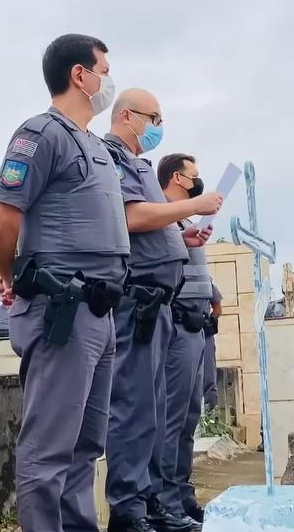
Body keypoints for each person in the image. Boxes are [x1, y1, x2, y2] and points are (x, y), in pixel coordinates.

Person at [0, 33, 130, 532]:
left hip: (101, 309)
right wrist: (10, 276)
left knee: (86, 446)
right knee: (48, 450)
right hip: (62, 308)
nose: (108, 79)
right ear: (79, 75)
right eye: (103, 70)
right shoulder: (41, 133)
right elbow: (0, 221)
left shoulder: (95, 145)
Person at [103, 92, 222, 532]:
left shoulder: (136, 164)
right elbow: (131, 217)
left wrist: (182, 239)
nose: (158, 125)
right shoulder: (112, 154)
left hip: (161, 306)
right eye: (154, 117)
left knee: (153, 411)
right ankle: (129, 508)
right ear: (128, 116)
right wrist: (193, 206)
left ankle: (150, 501)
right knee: (135, 409)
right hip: (139, 302)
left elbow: (151, 226)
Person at [155, 152, 217, 525]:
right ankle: (165, 502)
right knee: (171, 417)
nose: (199, 180)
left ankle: (182, 494)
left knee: (190, 416)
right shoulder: (160, 215)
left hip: (197, 328)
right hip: (175, 326)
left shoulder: (186, 222)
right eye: (195, 175)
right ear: (178, 178)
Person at [203, 281, 223, 411]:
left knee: (209, 379)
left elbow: (218, 309)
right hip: (179, 332)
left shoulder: (204, 280)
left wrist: (210, 322)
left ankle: (212, 421)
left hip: (205, 334)